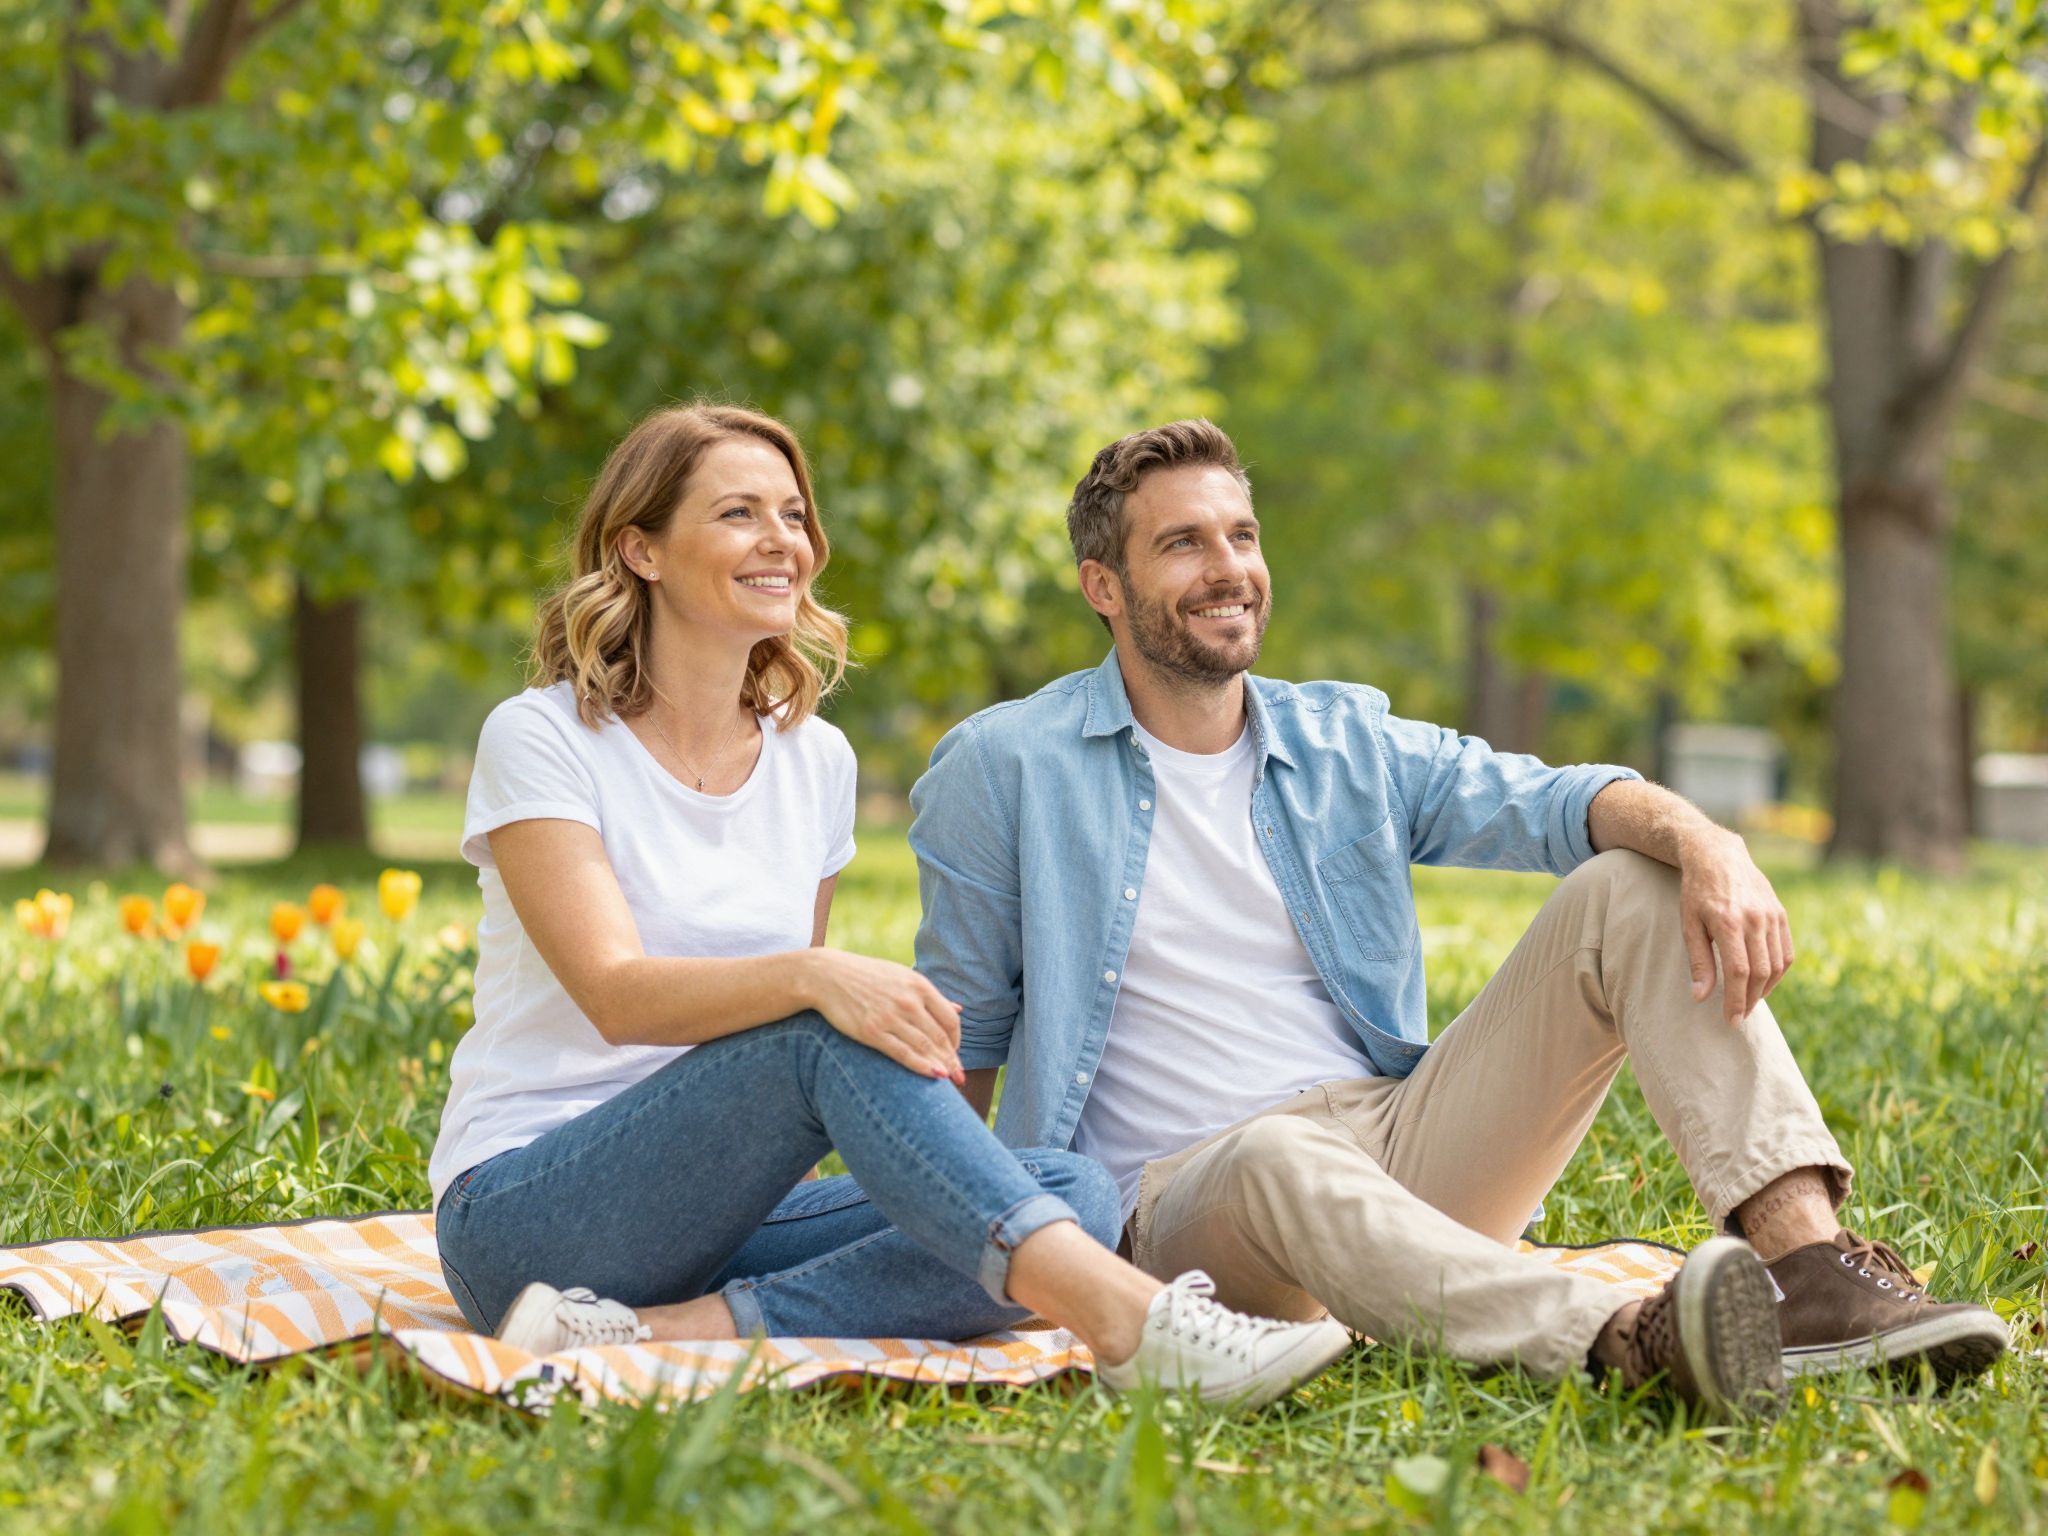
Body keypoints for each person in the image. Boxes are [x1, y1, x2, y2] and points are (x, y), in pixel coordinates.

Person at [907, 419, 2008, 1413]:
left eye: (1240, 536)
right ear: (1103, 586)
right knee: (1276, 1159)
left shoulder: (1342, 741)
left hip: (1393, 1141)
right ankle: (1624, 1340)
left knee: (1631, 881)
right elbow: (958, 1049)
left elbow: (1552, 801)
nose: (1228, 569)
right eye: (1183, 543)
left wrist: (1705, 843)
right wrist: (989, 1257)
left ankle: (1809, 1272)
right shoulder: (1004, 766)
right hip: (1180, 1209)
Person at [427, 403, 1354, 1406]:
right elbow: (616, 995)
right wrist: (818, 983)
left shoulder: (812, 758)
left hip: (723, 1221)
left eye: (792, 514)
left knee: (1068, 1194)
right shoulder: (543, 738)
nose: (782, 541)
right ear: (639, 549)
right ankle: (1134, 1327)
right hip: (525, 1216)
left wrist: (830, 1014)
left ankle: (660, 1331)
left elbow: (771, 1039)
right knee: (817, 1018)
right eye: (739, 514)